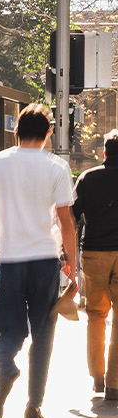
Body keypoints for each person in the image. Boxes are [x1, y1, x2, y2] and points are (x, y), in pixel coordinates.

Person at [0, 105, 78, 418]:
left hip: (10, 259)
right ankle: (33, 408)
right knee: (43, 334)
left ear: (16, 130)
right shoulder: (57, 167)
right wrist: (73, 264)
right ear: (48, 133)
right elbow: (66, 221)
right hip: (46, 261)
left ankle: (6, 367)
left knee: (10, 326)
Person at [75, 129, 118, 402]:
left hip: (94, 253)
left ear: (104, 152)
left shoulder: (88, 178)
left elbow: (72, 214)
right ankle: (115, 383)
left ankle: (98, 377)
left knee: (96, 315)